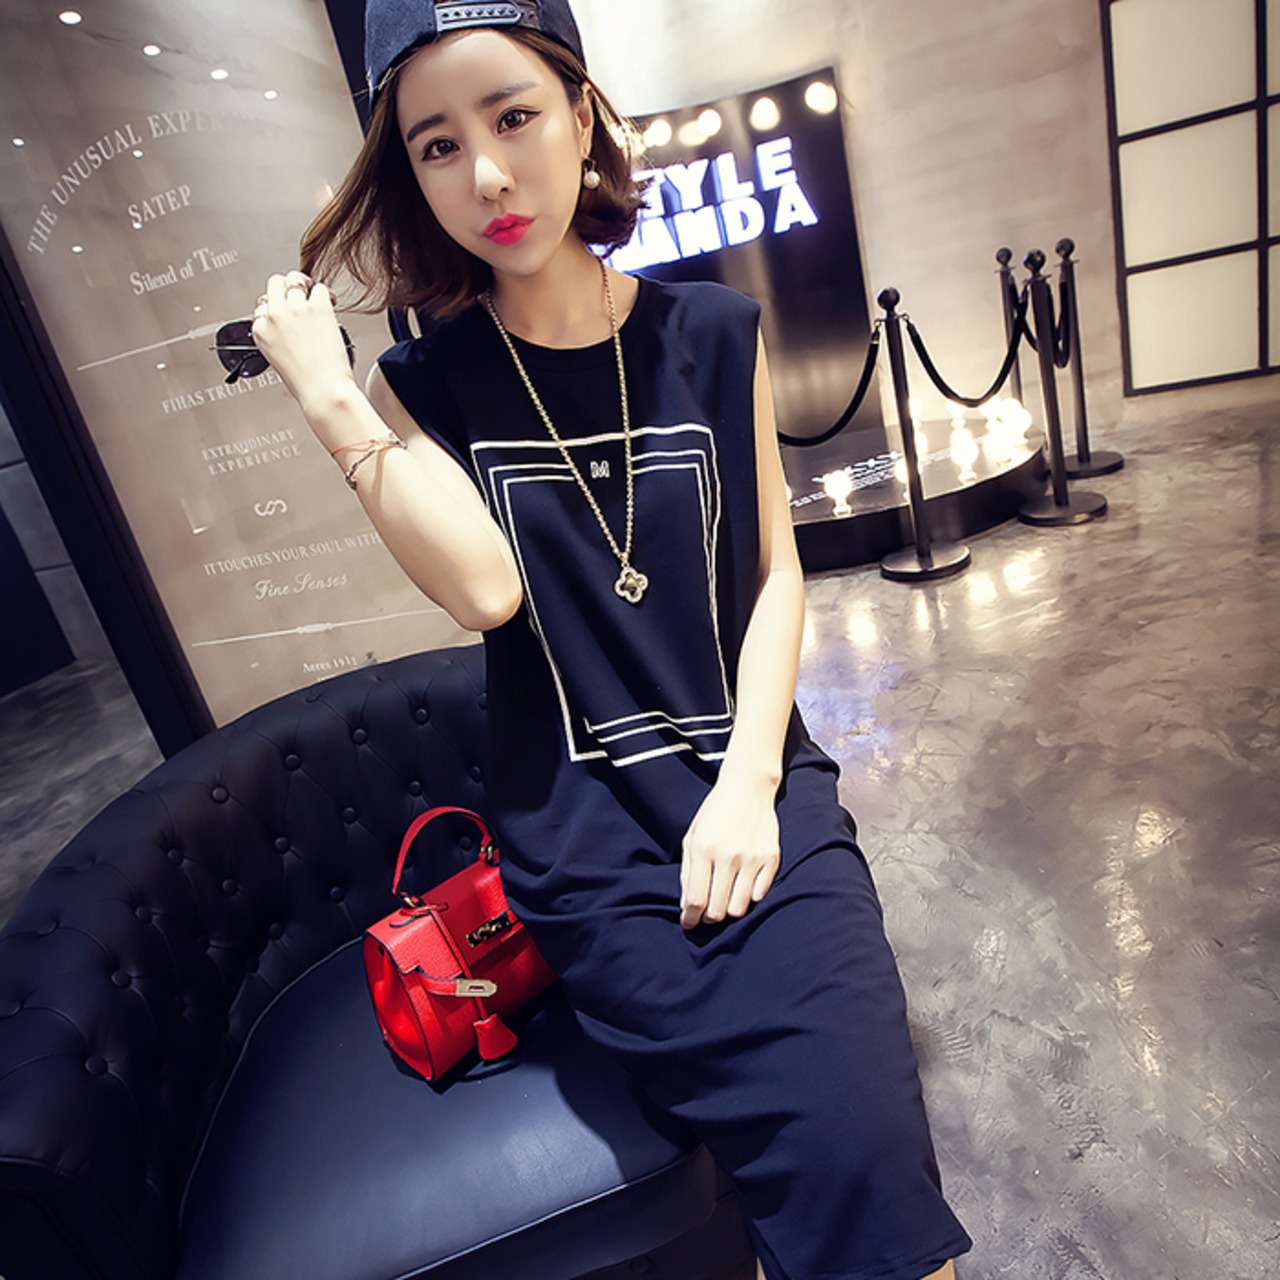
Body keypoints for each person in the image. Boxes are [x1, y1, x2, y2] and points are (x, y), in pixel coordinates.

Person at [251, 3, 972, 1277]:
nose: (485, 174)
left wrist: (748, 785)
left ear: (580, 117)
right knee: (802, 1147)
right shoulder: (421, 386)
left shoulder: (713, 333)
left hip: (755, 784)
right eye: (435, 145)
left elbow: (773, 575)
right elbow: (485, 589)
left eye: (513, 116)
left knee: (865, 1155)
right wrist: (324, 388)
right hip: (587, 844)